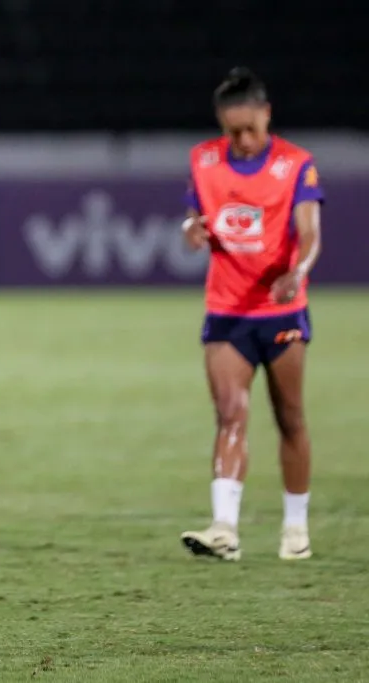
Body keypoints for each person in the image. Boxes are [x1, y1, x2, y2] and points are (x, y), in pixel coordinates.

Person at [179, 67, 323, 562]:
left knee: (290, 418)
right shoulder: (203, 161)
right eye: (231, 130)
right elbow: (196, 216)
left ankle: (295, 528)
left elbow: (309, 233)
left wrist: (297, 271)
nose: (241, 139)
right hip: (227, 310)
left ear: (267, 115)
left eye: (250, 129)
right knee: (231, 415)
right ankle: (224, 528)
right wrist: (191, 230)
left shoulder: (296, 164)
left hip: (279, 309)